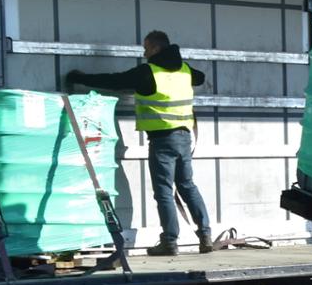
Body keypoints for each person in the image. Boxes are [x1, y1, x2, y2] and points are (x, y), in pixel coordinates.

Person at [67, 30, 215, 257]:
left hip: (163, 139)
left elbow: (114, 81)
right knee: (187, 185)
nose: (144, 53)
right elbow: (201, 77)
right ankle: (205, 235)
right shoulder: (185, 70)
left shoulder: (148, 72)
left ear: (156, 48)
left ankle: (170, 241)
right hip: (185, 136)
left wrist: (80, 78)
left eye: (146, 48)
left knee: (164, 191)